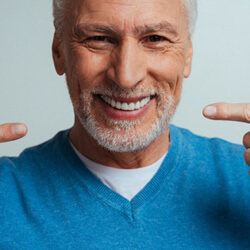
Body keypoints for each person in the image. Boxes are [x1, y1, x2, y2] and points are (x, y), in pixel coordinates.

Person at [0, 0, 250, 248]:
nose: (126, 77)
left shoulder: (244, 179)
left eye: (155, 38)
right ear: (58, 52)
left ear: (187, 55)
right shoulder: (5, 193)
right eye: (99, 38)